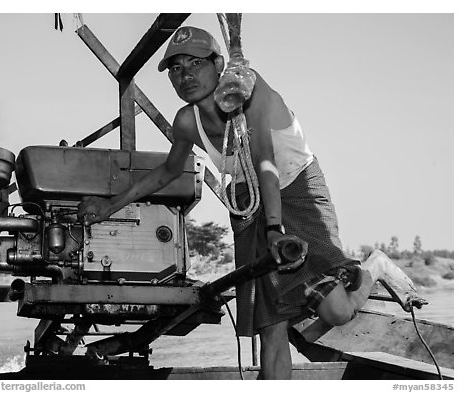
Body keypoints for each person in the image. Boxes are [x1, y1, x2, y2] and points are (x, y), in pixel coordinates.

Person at [78, 26, 427, 379]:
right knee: (270, 325)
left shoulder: (249, 89)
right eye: (176, 69)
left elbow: (265, 163)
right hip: (249, 204)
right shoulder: (187, 121)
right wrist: (110, 206)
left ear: (218, 64)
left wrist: (274, 230)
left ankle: (376, 267)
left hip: (296, 186)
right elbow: (168, 171)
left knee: (337, 313)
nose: (185, 76)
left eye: (195, 64)